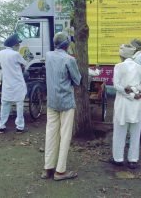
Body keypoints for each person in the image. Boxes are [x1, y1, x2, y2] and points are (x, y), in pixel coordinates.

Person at [41, 32, 81, 181]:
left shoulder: (48, 55)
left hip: (52, 101)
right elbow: (77, 80)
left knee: (50, 133)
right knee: (65, 136)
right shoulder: (69, 59)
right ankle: (60, 171)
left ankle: (47, 168)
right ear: (67, 45)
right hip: (66, 102)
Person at [110, 44, 141, 169]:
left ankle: (118, 158)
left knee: (119, 132)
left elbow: (117, 86)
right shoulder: (140, 68)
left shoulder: (118, 67)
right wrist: (135, 92)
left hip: (122, 104)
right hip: (136, 104)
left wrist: (130, 91)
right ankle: (133, 159)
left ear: (121, 55)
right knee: (135, 133)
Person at [0, 33, 27, 134]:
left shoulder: (0, 53)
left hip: (7, 84)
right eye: (18, 44)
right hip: (17, 83)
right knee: (19, 105)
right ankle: (19, 127)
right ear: (14, 45)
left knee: (5, 105)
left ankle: (1, 126)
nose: (18, 46)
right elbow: (25, 63)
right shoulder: (16, 54)